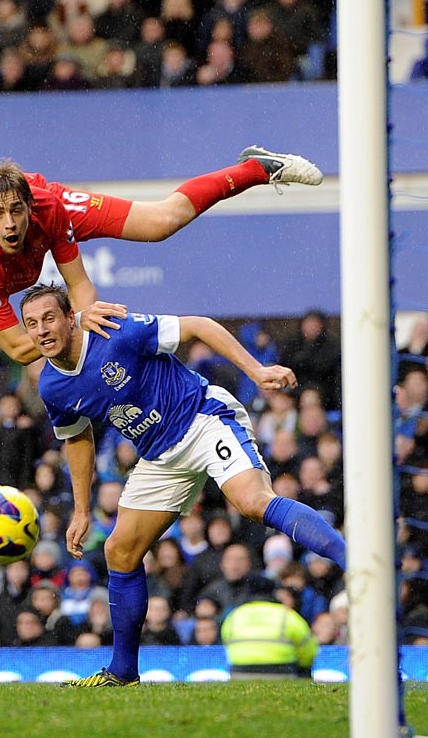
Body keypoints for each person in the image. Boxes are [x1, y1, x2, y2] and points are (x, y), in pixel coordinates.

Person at [0, 149, 324, 497]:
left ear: (30, 205)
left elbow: (81, 289)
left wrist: (86, 334)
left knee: (161, 222)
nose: (10, 224)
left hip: (50, 217)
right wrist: (75, 323)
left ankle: (259, 168)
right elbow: (19, 347)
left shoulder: (48, 208)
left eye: (17, 210)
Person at [18, 283, 346, 686]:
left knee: (252, 501)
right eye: (32, 324)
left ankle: (359, 567)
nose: (42, 330)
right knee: (119, 551)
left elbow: (198, 326)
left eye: (49, 318)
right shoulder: (52, 385)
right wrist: (83, 510)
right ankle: (122, 673)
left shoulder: (114, 332)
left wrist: (256, 371)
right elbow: (77, 438)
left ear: (71, 318)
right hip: (159, 455)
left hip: (202, 418)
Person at [220, 595, 318, 679]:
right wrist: (304, 666)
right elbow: (308, 648)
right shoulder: (287, 614)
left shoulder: (235, 614)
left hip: (240, 671)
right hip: (281, 671)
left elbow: (225, 640)